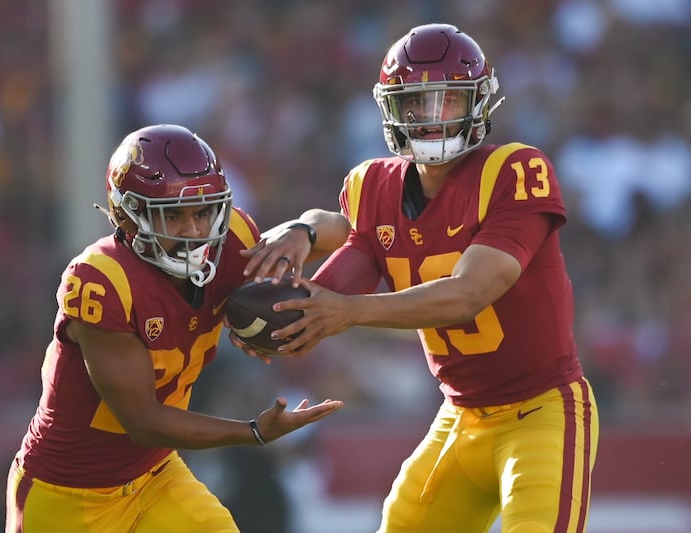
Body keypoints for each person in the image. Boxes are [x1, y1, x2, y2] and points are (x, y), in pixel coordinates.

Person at [239, 24, 599, 533]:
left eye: (448, 100)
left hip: (541, 412)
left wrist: (348, 312)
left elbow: (467, 295)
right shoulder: (372, 185)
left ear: (478, 102)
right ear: (392, 109)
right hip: (459, 417)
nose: (432, 117)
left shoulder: (513, 170)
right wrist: (271, 314)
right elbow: (339, 263)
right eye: (415, 102)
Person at [4, 124, 347, 533]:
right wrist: (252, 432)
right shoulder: (101, 280)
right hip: (68, 493)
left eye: (202, 212)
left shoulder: (232, 241)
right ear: (128, 215)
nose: (194, 231)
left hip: (154, 477)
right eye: (172, 215)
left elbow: (342, 230)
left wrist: (302, 232)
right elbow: (143, 421)